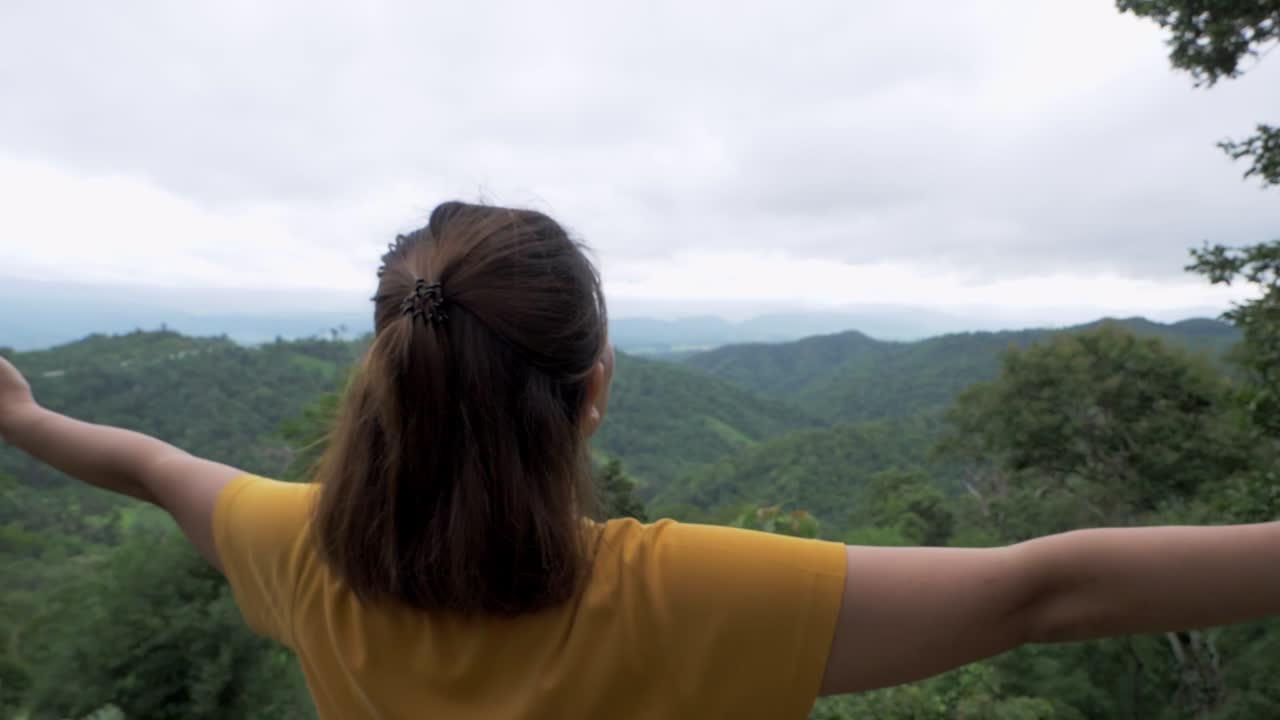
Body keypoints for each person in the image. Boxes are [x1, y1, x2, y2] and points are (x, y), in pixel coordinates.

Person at [1, 200, 1277, 720]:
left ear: (385, 381)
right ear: (595, 392)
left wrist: (22, 420)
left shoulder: (299, 555)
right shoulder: (677, 595)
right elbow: (1037, 591)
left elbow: (152, 465)